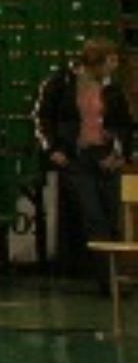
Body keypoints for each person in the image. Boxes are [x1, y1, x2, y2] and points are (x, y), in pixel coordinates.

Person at [31, 37, 131, 291]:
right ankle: (107, 281)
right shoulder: (61, 83)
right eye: (110, 61)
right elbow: (42, 117)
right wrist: (52, 149)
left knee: (113, 217)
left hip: (106, 157)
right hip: (77, 158)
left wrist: (118, 151)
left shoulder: (113, 88)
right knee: (94, 217)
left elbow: (125, 124)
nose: (115, 66)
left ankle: (118, 274)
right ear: (96, 62)